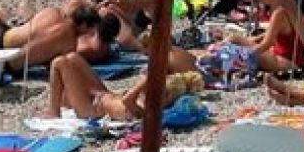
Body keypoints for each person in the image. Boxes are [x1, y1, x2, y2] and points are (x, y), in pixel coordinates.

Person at [43, 55, 203, 120]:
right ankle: (65, 101)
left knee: (59, 63)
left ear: (167, 99)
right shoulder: (147, 99)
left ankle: (53, 111)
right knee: (73, 57)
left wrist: (145, 80)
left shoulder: (146, 108)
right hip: (103, 95)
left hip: (90, 111)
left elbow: (127, 99)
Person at [0, 5, 113, 70]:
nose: (89, 34)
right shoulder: (70, 44)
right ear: (84, 25)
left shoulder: (53, 12)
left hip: (5, 35)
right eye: (90, 30)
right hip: (10, 62)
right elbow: (52, 67)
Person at [217, 0, 304, 71]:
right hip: (292, 58)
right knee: (233, 39)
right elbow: (278, 31)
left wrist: (243, 54)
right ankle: (217, 52)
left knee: (232, 48)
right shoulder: (288, 3)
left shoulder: (279, 12)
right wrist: (255, 39)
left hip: (286, 62)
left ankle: (215, 55)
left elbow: (267, 44)